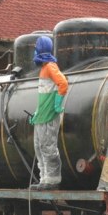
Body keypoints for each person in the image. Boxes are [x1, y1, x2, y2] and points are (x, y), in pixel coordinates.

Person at [29, 36, 68, 190]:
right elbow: (44, 94)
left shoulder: (51, 67)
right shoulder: (44, 69)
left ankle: (52, 180)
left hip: (50, 115)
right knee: (39, 147)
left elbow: (63, 83)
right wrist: (37, 113)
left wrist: (57, 104)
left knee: (48, 147)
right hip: (42, 116)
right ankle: (44, 178)